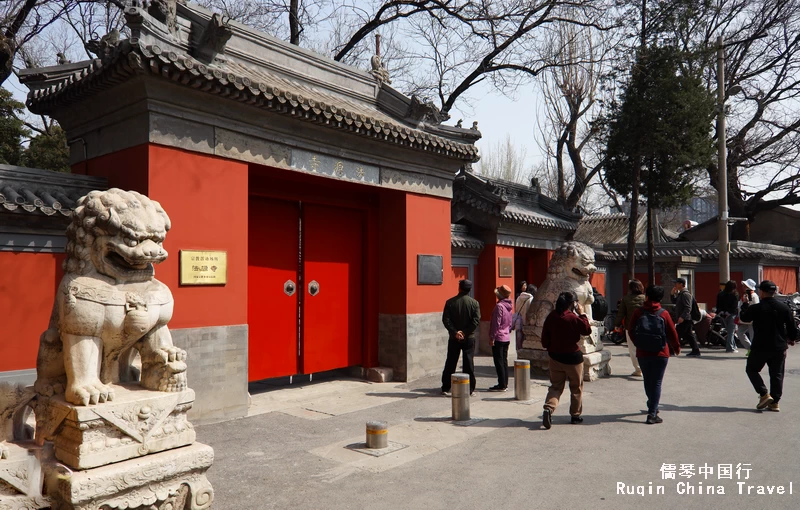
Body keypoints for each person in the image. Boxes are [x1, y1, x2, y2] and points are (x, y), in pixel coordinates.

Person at [739, 280, 798, 412]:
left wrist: (745, 305)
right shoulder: (784, 308)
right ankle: (775, 402)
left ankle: (764, 393)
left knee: (751, 369)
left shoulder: (757, 308)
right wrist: (792, 338)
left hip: (760, 345)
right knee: (777, 373)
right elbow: (792, 327)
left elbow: (745, 318)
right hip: (779, 346)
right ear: (774, 292)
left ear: (762, 292)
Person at [629, 285, 681, 424]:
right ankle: (652, 413)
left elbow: (630, 330)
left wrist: (638, 343)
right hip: (660, 353)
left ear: (646, 296)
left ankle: (652, 405)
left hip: (643, 353)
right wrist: (676, 347)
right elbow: (672, 333)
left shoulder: (638, 312)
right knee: (657, 382)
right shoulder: (663, 313)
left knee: (647, 380)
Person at [541, 291, 592, 429]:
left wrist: (550, 347)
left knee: (556, 386)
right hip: (573, 358)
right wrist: (582, 314)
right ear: (572, 304)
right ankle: (575, 415)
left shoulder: (551, 317)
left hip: (555, 357)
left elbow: (544, 338)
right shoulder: (573, 318)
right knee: (576, 387)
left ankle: (548, 408)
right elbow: (586, 330)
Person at [441, 279, 481, 396]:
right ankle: (469, 388)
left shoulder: (450, 302)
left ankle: (446, 386)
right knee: (468, 363)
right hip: (469, 338)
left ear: (459, 288)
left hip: (454, 338)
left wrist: (455, 333)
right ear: (470, 290)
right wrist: (465, 332)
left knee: (451, 362)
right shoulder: (474, 303)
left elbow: (446, 320)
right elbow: (476, 321)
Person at [615, 279, 646, 376]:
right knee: (644, 348)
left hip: (630, 327)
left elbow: (621, 314)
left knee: (633, 349)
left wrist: (617, 325)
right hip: (645, 327)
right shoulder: (645, 298)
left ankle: (638, 369)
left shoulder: (625, 299)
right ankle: (646, 368)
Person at [489, 285, 514, 391]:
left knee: (499, 361)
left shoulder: (499, 306)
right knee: (504, 361)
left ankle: (501, 384)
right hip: (506, 336)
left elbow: (496, 323)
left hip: (499, 337)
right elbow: (510, 322)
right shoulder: (509, 306)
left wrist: (492, 337)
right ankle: (505, 383)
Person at [672, 278, 701, 356]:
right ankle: (696, 350)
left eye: (676, 283)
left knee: (676, 334)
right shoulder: (681, 293)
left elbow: (688, 307)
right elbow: (675, 302)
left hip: (686, 319)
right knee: (689, 335)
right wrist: (672, 294)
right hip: (684, 318)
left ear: (681, 284)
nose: (675, 285)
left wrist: (682, 317)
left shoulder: (685, 294)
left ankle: (672, 350)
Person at [716, 280, 740, 352]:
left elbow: (718, 305)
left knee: (729, 331)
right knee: (731, 332)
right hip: (731, 314)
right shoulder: (735, 294)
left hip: (722, 314)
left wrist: (722, 312)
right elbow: (735, 306)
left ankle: (733, 345)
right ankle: (730, 347)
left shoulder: (720, 294)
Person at [736, 279, 760, 350]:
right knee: (739, 333)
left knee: (753, 336)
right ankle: (750, 349)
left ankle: (753, 351)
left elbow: (754, 307)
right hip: (745, 319)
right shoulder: (746, 295)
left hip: (751, 319)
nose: (743, 287)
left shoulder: (753, 295)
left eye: (744, 286)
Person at [513, 285, 534, 351]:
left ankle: (518, 354)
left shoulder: (519, 298)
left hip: (518, 321)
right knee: (524, 342)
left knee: (518, 340)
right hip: (525, 322)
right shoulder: (531, 299)